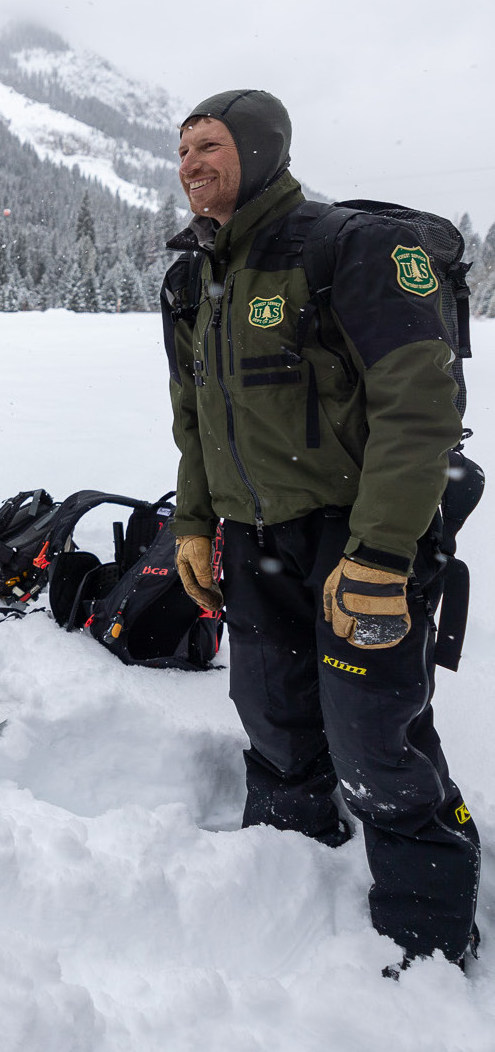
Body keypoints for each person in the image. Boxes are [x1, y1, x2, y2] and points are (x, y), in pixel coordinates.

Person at [161, 89, 478, 972]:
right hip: (251, 534)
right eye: (182, 150)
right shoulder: (193, 277)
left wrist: (381, 552)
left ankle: (427, 937)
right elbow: (196, 419)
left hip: (356, 532)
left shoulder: (348, 248)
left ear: (259, 149)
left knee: (376, 735)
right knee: (271, 712)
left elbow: (420, 408)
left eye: (209, 146)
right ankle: (289, 865)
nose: (190, 164)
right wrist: (192, 524)